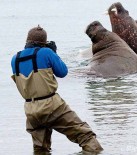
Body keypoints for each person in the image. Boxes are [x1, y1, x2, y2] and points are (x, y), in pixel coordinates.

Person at [11, 25, 103, 154]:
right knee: (85, 136)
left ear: (27, 41)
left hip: (30, 109)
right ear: (44, 43)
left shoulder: (15, 59)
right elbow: (62, 72)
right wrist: (53, 53)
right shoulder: (46, 53)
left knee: (40, 148)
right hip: (51, 105)